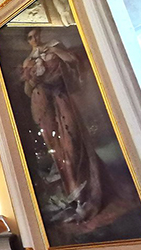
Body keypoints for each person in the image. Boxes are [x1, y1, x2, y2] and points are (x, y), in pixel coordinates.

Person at [21, 29, 105, 222]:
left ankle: (85, 191)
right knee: (56, 148)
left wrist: (55, 52)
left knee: (72, 139)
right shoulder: (28, 62)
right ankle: (73, 196)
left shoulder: (54, 47)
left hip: (61, 97)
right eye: (30, 38)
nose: (35, 39)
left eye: (36, 35)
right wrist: (30, 79)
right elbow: (27, 90)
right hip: (43, 104)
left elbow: (72, 62)